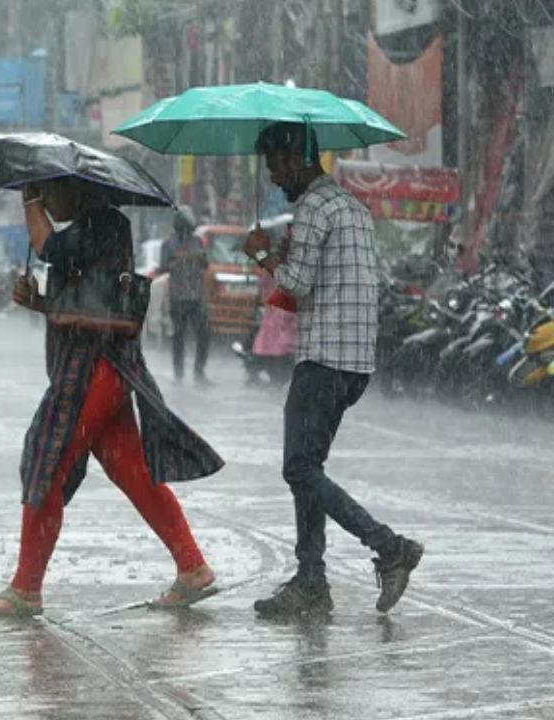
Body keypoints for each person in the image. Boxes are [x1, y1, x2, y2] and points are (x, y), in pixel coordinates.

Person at [0, 178, 224, 618]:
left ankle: (26, 587)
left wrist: (28, 200)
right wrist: (41, 303)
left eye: (50, 192)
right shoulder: (96, 227)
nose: (46, 202)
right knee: (132, 471)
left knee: (46, 458)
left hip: (92, 370)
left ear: (76, 190)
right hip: (107, 368)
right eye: (41, 195)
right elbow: (86, 300)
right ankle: (192, 566)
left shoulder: (101, 223)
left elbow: (48, 249)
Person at [243, 122, 423, 618]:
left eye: (277, 165)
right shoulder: (351, 207)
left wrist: (260, 255)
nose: (275, 178)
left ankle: (389, 548)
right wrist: (281, 255)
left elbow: (297, 284)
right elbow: (325, 282)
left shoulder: (316, 206)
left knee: (298, 468)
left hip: (324, 359)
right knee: (308, 470)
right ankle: (311, 582)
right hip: (354, 363)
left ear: (298, 159)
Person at [160, 206, 210, 383]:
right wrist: (176, 262)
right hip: (178, 297)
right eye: (184, 230)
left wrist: (200, 258)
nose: (186, 235)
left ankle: (199, 372)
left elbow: (206, 265)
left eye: (189, 231)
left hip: (196, 296)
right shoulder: (168, 244)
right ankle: (178, 374)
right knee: (178, 337)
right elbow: (163, 267)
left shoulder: (198, 241)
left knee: (203, 334)